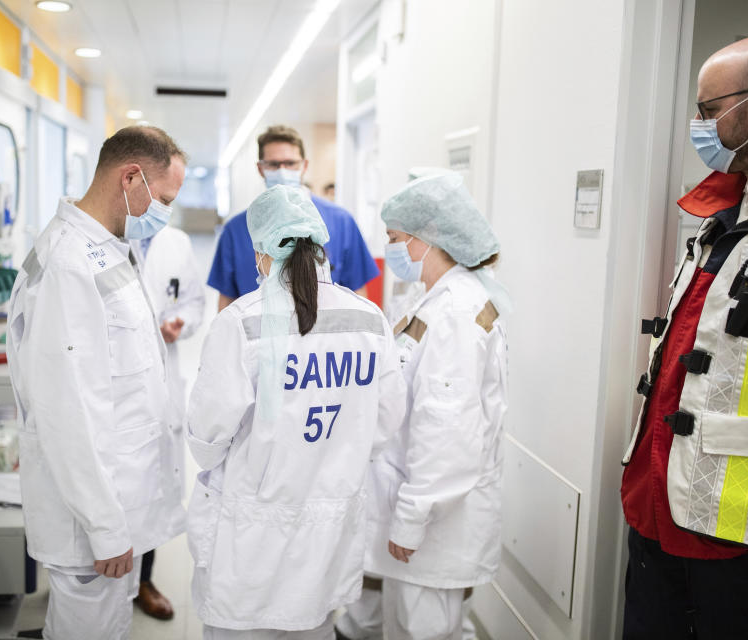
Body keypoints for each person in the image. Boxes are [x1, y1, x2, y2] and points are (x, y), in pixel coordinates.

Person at [186, 185, 407, 638]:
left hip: (250, 539)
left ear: (263, 251)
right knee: (315, 628)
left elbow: (207, 440)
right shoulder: (370, 320)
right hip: (328, 533)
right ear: (322, 246)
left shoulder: (241, 323)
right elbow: (384, 425)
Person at [6, 125, 188, 639]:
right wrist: (106, 528)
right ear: (131, 177)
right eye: (164, 199)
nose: (165, 213)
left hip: (116, 508)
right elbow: (67, 412)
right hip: (90, 524)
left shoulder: (108, 246)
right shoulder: (69, 264)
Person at [620, 34, 748, 638]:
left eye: (710, 112)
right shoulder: (721, 220)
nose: (699, 126)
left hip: (744, 534)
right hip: (660, 506)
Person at [336, 172, 509, 640]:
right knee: (412, 628)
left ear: (426, 240)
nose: (391, 248)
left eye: (395, 238)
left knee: (426, 631)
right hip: (422, 513)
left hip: (433, 523)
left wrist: (411, 519)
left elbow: (446, 429)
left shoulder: (453, 311)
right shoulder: (437, 300)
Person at [208, 125, 379, 310]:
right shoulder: (236, 230)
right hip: (257, 336)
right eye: (273, 164)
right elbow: (226, 302)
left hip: (325, 337)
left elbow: (358, 294)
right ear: (260, 168)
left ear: (304, 166)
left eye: (290, 164)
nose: (282, 170)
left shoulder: (341, 222)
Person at [132, 223, 207, 620]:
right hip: (113, 383)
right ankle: (99, 579)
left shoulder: (176, 241)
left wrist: (180, 323)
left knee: (152, 481)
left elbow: (194, 302)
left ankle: (142, 580)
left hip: (162, 374)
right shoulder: (100, 240)